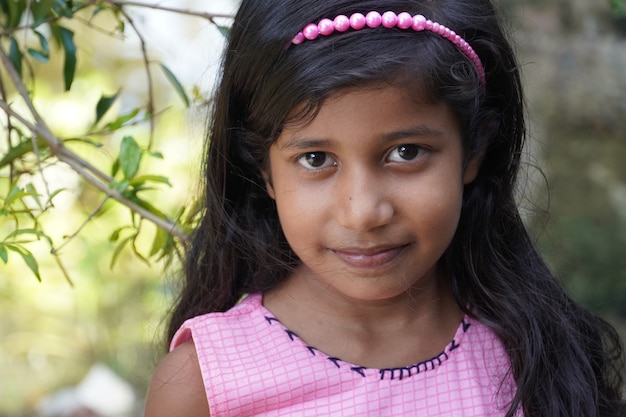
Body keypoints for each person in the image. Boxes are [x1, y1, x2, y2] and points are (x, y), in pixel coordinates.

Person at [144, 0, 625, 416]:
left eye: (407, 152)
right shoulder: (205, 385)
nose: (363, 212)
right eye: (315, 160)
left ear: (473, 151)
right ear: (265, 171)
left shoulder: (533, 355)